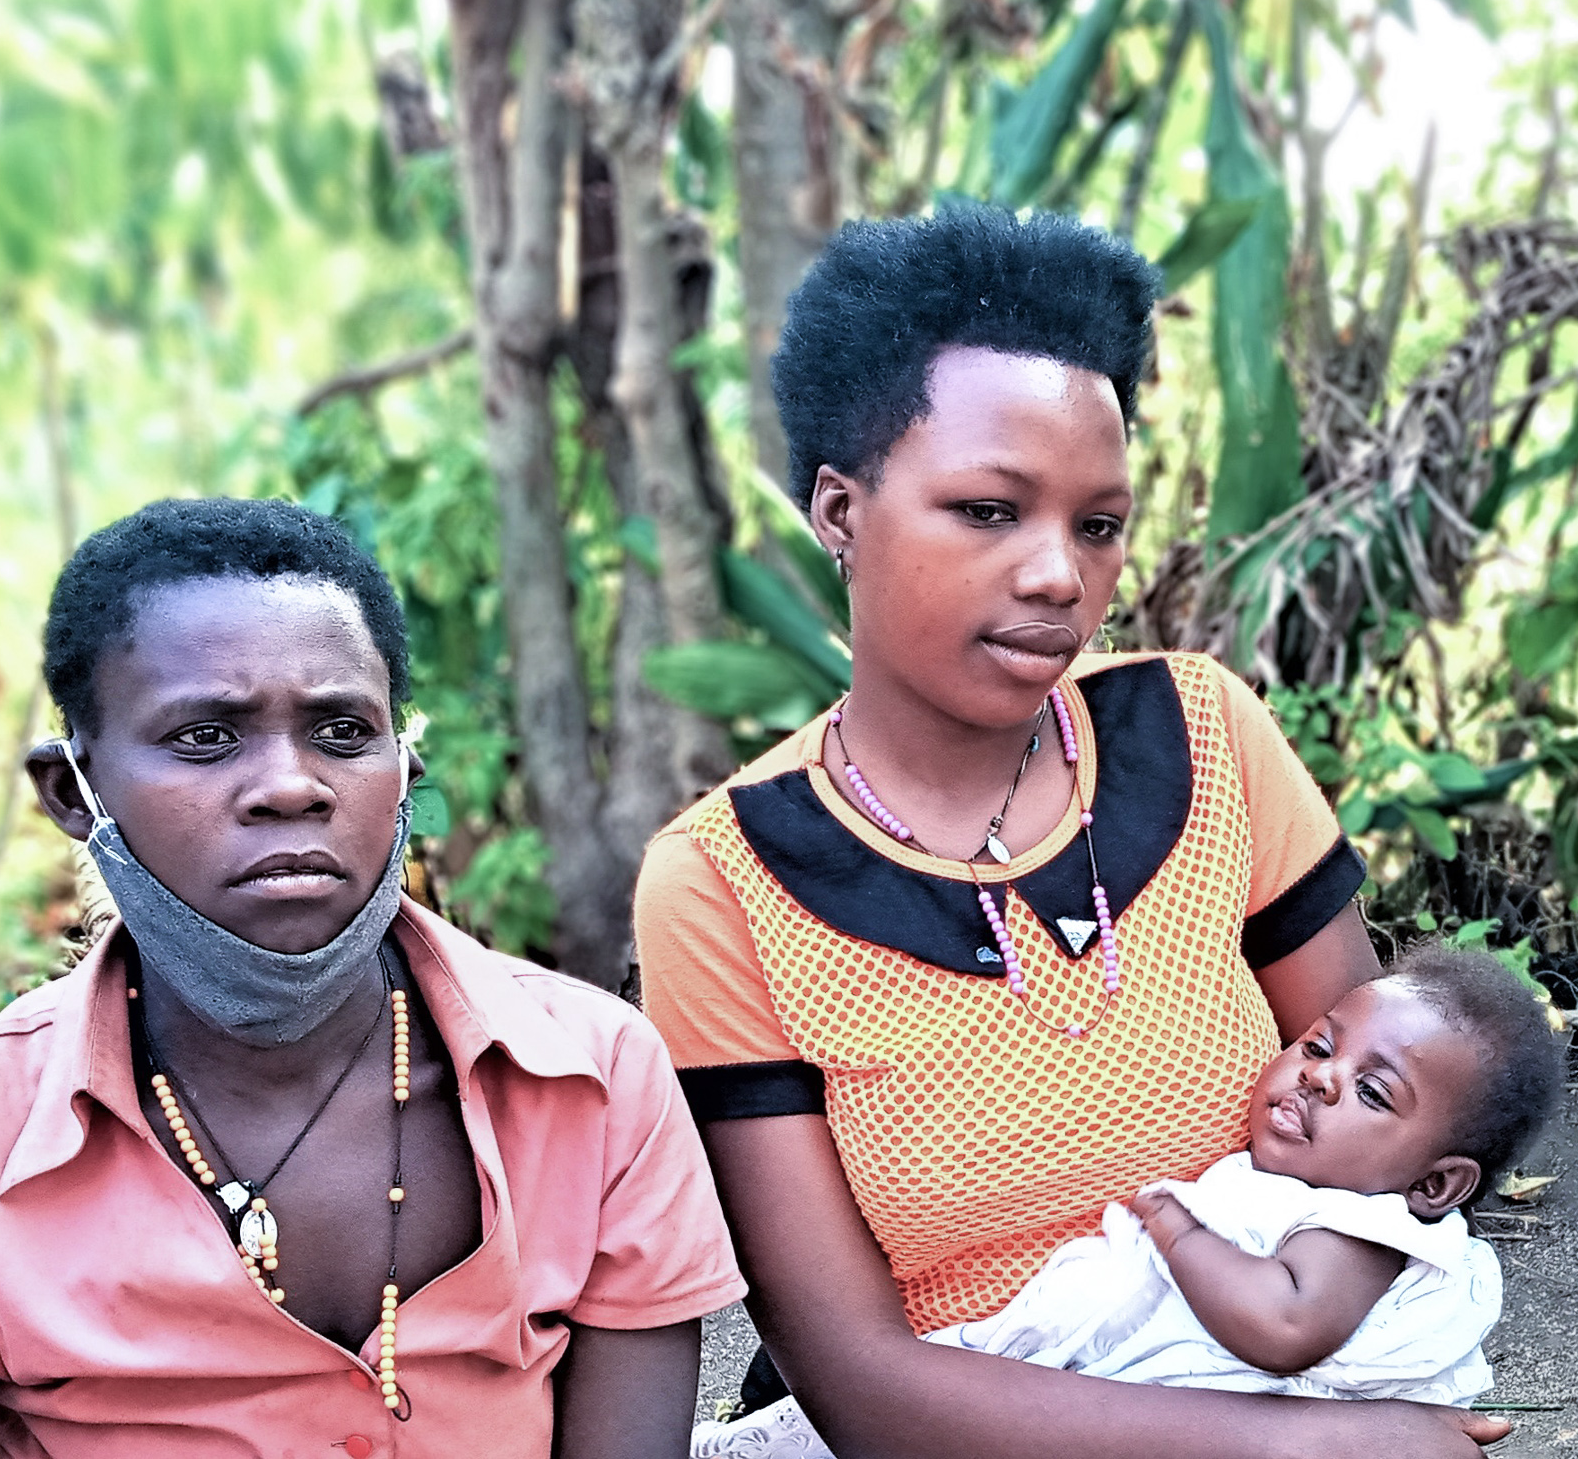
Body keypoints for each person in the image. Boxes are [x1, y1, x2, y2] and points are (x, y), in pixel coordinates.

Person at [634, 204, 1517, 1458]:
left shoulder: (1201, 734)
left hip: (1293, 1371)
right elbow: (857, 1382)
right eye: (989, 510)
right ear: (840, 509)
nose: (1059, 574)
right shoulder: (725, 883)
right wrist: (1284, 1450)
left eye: (1096, 524)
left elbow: (1380, 1149)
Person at [0, 498, 745, 1459]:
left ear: (403, 768)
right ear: (74, 789)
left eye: (340, 730)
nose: (291, 784)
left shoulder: (596, 1079)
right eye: (205, 736)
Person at [692, 950, 1564, 1456]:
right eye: (1319, 1044)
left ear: (1435, 1185)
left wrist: (1177, 1228)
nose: (1320, 1077)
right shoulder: (1303, 1190)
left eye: (1373, 1093)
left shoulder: (1365, 1226)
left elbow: (1284, 1324)